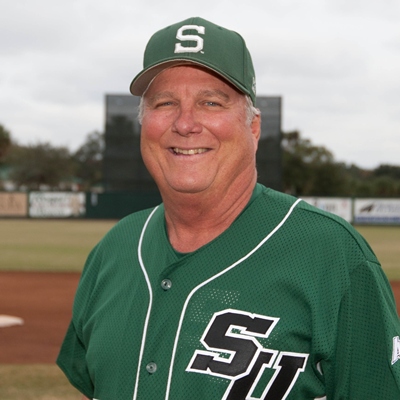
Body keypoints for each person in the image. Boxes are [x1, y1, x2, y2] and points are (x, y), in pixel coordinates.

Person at [57, 17, 400, 400]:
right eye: (165, 103)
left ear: (253, 128)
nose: (185, 123)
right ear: (144, 124)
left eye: (211, 102)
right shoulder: (114, 250)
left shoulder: (333, 256)